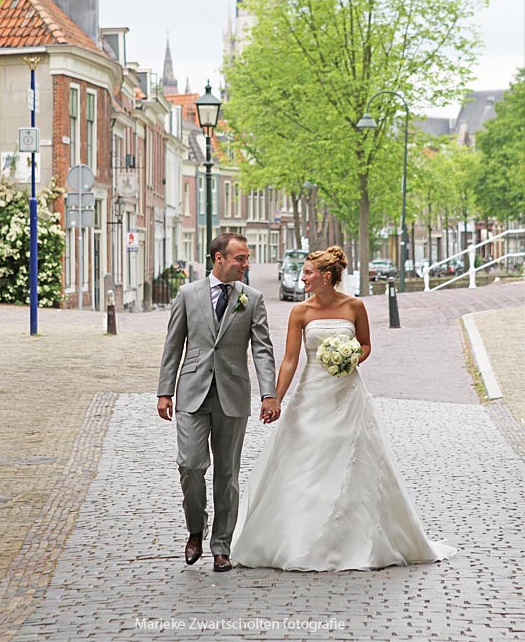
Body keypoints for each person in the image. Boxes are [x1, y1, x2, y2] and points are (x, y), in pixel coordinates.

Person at [231, 246, 456, 571]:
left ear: (326, 276)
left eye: (308, 273)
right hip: (311, 396)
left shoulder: (354, 306)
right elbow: (291, 360)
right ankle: (296, 538)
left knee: (353, 460)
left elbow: (365, 345)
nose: (302, 278)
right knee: (305, 460)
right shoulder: (300, 312)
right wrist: (275, 398)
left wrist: (350, 357)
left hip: (348, 394)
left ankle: (354, 539)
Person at [157, 233, 280, 572]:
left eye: (247, 258)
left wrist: (269, 393)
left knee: (227, 474)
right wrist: (165, 391)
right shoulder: (187, 295)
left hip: (232, 395)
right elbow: (173, 344)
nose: (246, 264)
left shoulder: (252, 299)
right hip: (191, 393)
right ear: (219, 258)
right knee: (190, 465)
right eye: (240, 258)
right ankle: (195, 529)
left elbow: (262, 349)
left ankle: (221, 546)